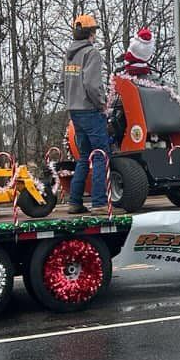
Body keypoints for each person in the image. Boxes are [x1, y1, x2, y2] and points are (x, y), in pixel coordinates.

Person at [62, 13, 109, 216]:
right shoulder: (91, 53)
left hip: (75, 111)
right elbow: (92, 84)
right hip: (90, 110)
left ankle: (75, 202)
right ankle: (99, 203)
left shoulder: (69, 54)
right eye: (94, 31)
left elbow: (64, 82)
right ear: (91, 33)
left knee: (83, 157)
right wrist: (102, 103)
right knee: (100, 155)